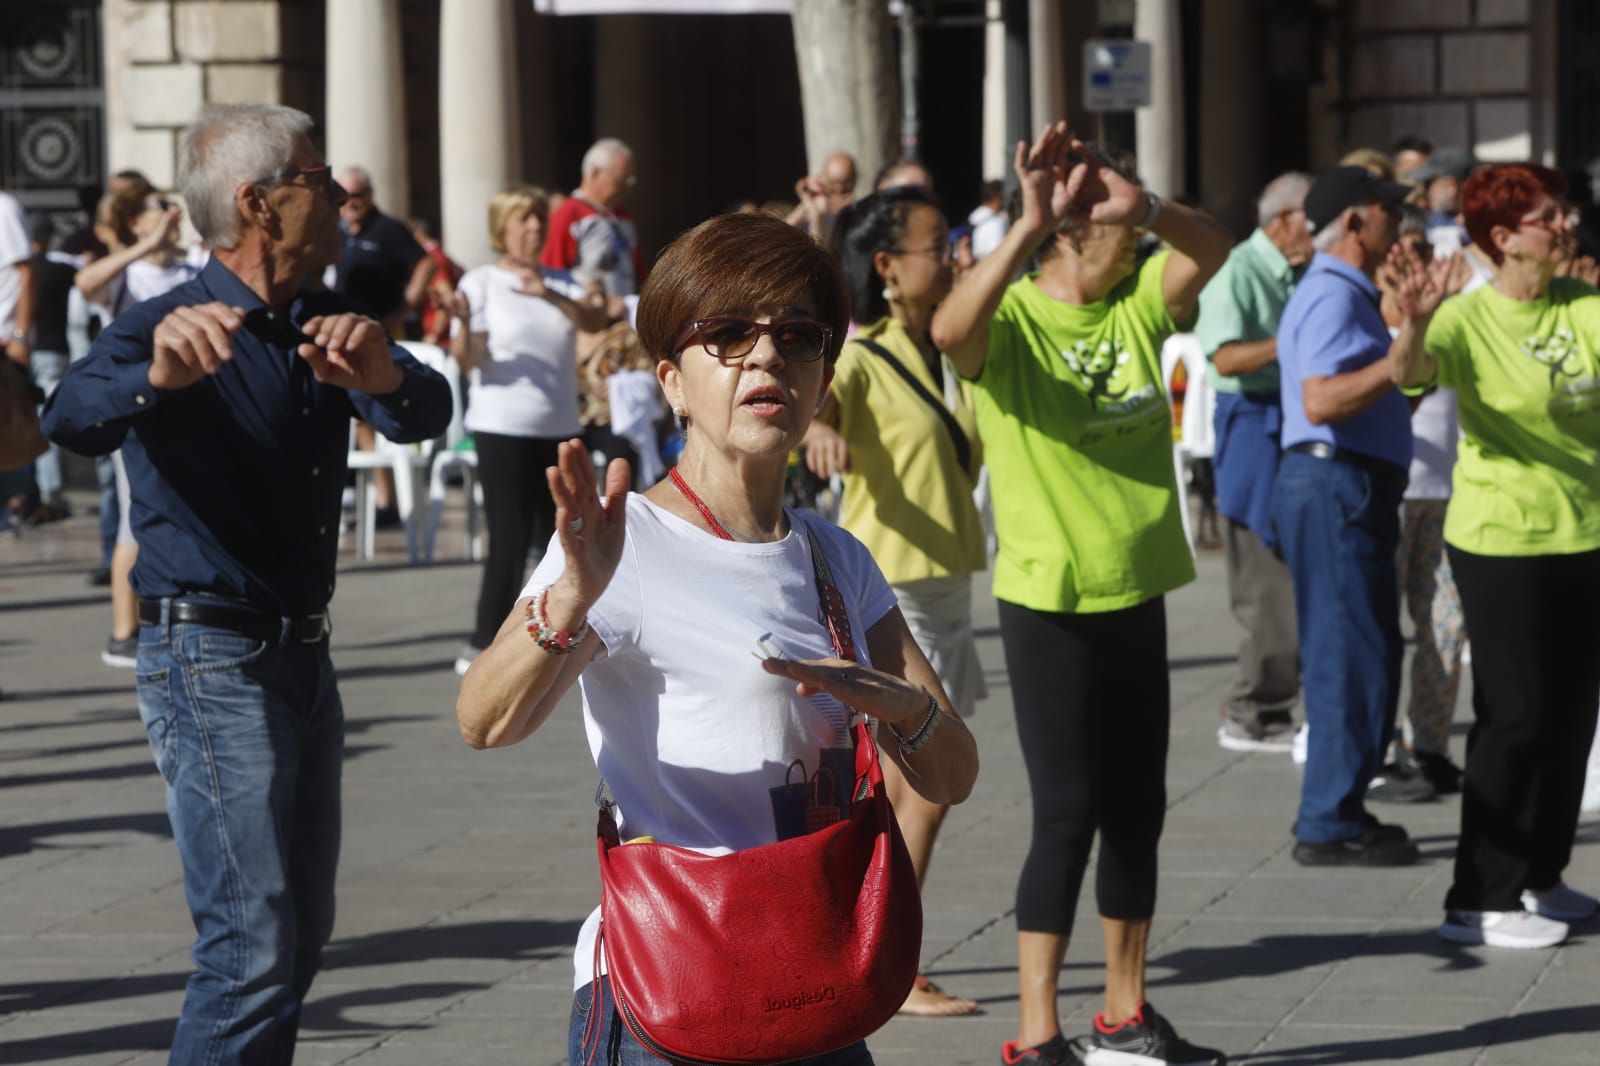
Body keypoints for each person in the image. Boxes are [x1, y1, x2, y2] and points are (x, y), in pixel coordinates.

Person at [454, 211, 980, 1064]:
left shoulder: (836, 557)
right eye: (728, 334)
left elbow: (953, 773)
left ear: (823, 373)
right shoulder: (624, 546)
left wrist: (900, 711)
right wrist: (573, 596)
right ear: (669, 379)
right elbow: (483, 720)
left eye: (797, 336)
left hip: (816, 975)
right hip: (673, 986)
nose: (766, 356)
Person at [41, 103, 451, 1062]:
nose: (344, 195)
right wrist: (157, 378)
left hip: (304, 659)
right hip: (209, 656)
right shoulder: (164, 325)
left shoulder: (322, 320)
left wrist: (387, 379)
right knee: (250, 945)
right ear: (258, 204)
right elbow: (68, 416)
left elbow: (425, 406)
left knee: (296, 938)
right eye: (320, 180)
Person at [931, 123, 1233, 1066]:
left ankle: (1125, 1014)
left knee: (1139, 803)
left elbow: (1217, 252)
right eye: (1106, 228)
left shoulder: (1140, 299)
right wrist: (1024, 224)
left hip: (1136, 585)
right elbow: (948, 331)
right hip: (1047, 597)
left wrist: (1142, 207)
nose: (1132, 243)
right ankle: (1037, 1032)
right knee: (1067, 810)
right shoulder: (1013, 318)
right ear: (1063, 236)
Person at [1391, 163, 1600, 949]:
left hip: (1585, 530)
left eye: (1564, 210)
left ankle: (1542, 878)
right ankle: (1478, 897)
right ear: (1503, 238)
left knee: (1571, 715)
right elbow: (1407, 376)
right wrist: (1412, 323)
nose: (1567, 222)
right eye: (1550, 215)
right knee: (1515, 715)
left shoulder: (1584, 305)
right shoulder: (1465, 318)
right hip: (1501, 538)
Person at [808, 186, 987, 1017]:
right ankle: (891, 962)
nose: (950, 256)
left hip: (947, 577)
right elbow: (819, 401)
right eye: (933, 246)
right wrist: (818, 427)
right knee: (925, 777)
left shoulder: (948, 346)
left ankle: (879, 950)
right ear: (887, 268)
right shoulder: (862, 352)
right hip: (894, 584)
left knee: (925, 778)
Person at [1273, 165, 1437, 867]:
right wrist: (1393, 368)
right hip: (1335, 483)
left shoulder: (1347, 293)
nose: (1398, 223)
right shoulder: (1333, 295)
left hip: (1346, 485)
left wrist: (1408, 342)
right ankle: (1328, 819)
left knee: (1363, 647)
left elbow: (1387, 391)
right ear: (1353, 223)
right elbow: (1321, 399)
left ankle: (1341, 806)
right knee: (1349, 652)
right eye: (1387, 211)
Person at [446, 186, 607, 677]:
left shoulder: (562, 282)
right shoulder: (481, 282)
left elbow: (595, 320)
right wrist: (464, 322)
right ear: (504, 229)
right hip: (502, 426)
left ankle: (550, 637)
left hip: (558, 428)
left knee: (558, 539)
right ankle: (483, 642)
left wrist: (551, 294)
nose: (535, 228)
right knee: (510, 538)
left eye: (540, 219)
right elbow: (466, 360)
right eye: (524, 221)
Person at [1196, 171, 1313, 753]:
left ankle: (1274, 700)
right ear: (1284, 219)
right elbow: (1226, 355)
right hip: (1251, 423)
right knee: (1265, 576)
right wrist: (1294, 339)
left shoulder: (1298, 268)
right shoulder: (1240, 270)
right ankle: (1254, 709)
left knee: (1289, 569)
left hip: (1287, 419)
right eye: (1311, 217)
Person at [74, 190, 199, 668]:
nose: (167, 215)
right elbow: (86, 283)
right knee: (133, 520)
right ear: (136, 224)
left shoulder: (191, 273)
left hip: (190, 417)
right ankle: (123, 631)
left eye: (172, 207)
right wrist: (146, 247)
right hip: (138, 414)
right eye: (155, 208)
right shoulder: (128, 273)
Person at [1374, 207, 1470, 801]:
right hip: (1390, 489)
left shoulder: (1450, 308)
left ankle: (1427, 746)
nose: (1409, 260)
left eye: (1419, 248)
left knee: (1446, 626)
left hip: (1447, 492)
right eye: (1399, 248)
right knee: (1381, 628)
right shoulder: (1368, 311)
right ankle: (1378, 749)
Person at [541, 137, 644, 300]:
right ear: (595, 173)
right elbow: (553, 274)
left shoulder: (623, 216)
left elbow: (637, 272)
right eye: (621, 178)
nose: (627, 185)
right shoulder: (568, 213)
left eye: (630, 179)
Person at [332, 165, 429, 332]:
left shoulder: (389, 228)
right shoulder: (338, 230)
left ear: (369, 193)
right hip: (344, 326)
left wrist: (403, 311)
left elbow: (426, 264)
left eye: (356, 195)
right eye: (343, 195)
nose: (349, 202)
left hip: (382, 328)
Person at [789, 150, 859, 244]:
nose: (840, 189)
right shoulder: (817, 203)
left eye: (846, 183)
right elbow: (780, 234)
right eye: (834, 182)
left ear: (855, 179)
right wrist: (806, 203)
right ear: (824, 178)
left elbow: (824, 253)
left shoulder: (857, 212)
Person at [968, 179, 1008, 260]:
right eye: (1004, 195)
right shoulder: (995, 223)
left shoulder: (972, 218)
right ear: (996, 196)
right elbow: (998, 256)